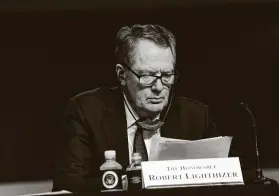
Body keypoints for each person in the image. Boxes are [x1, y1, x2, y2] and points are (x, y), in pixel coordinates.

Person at [52, 24, 218, 192]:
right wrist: (133, 182)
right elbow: (68, 186)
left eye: (167, 75)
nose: (159, 87)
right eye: (147, 76)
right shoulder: (86, 112)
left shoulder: (196, 116)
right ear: (121, 74)